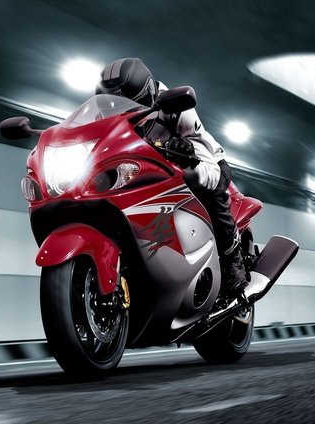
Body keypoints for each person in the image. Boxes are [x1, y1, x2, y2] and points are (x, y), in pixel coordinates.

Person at [95, 57, 248, 296]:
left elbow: (205, 161)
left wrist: (190, 163)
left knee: (210, 193)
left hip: (204, 162)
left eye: (129, 105)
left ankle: (232, 263)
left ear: (147, 96)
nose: (121, 112)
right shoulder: (104, 115)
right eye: (113, 106)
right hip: (149, 167)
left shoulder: (175, 107)